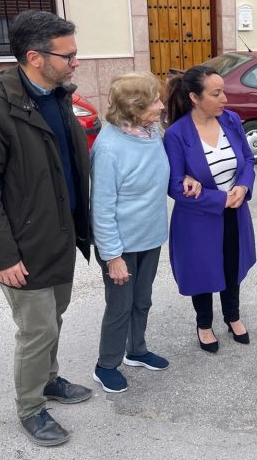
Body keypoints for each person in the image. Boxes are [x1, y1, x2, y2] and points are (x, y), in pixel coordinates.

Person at [0, 10, 92, 447]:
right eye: (68, 55)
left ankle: (49, 380)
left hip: (61, 236)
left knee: (54, 319)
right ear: (35, 57)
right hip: (23, 247)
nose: (76, 62)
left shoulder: (57, 96)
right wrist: (2, 256)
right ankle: (31, 407)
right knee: (37, 330)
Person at [163, 65, 256, 353]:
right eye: (216, 93)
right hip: (198, 219)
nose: (224, 98)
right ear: (194, 97)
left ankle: (233, 316)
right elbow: (176, 185)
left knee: (232, 264)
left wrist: (242, 187)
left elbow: (249, 161)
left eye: (223, 91)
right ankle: (204, 324)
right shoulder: (177, 134)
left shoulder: (231, 120)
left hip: (236, 210)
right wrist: (219, 200)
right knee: (202, 270)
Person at [90, 73, 170, 393]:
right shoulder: (109, 148)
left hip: (150, 237)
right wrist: (112, 257)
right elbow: (102, 208)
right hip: (120, 247)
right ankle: (106, 364)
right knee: (120, 306)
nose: (161, 106)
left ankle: (136, 350)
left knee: (142, 300)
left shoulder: (152, 132)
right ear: (135, 108)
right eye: (154, 101)